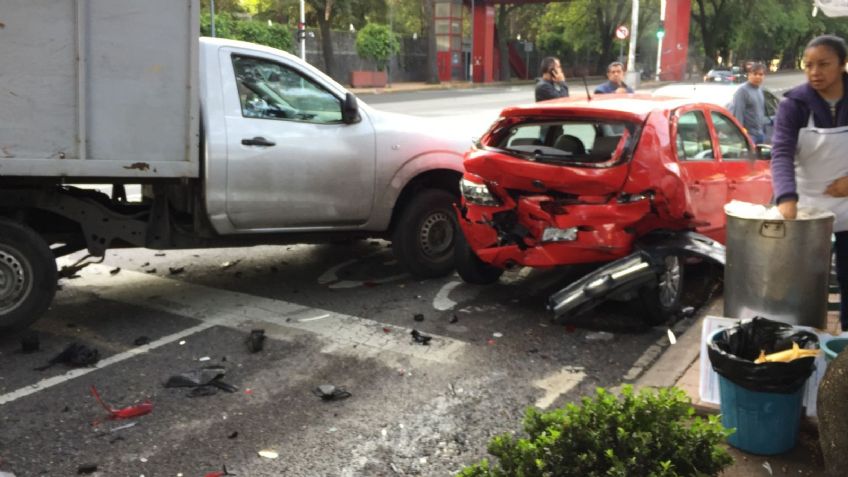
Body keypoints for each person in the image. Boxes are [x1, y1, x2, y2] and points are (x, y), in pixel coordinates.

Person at [771, 35, 848, 331]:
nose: (815, 72)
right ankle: (801, 338)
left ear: (842, 64)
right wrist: (786, 197)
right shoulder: (795, 104)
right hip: (805, 204)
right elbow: (781, 152)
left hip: (846, 201)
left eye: (824, 64)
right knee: (800, 281)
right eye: (808, 65)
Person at [730, 62, 768, 144]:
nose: (758, 76)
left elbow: (760, 112)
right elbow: (738, 114)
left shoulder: (760, 90)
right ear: (749, 75)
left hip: (760, 134)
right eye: (755, 74)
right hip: (749, 136)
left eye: (761, 74)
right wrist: (741, 135)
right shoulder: (742, 91)